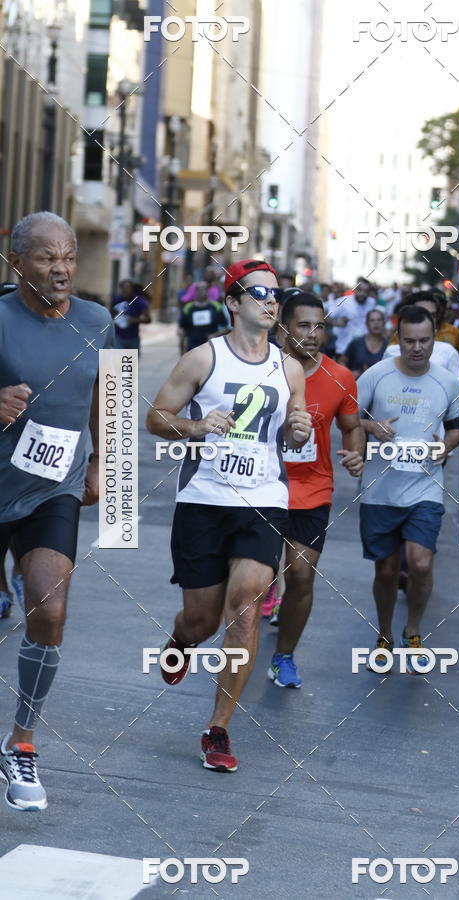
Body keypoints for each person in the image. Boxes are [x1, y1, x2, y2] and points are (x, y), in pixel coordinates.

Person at [146, 258, 312, 772]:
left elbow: (293, 429)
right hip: (204, 501)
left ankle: (218, 728)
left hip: (262, 500)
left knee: (246, 605)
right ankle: (184, 636)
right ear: (233, 302)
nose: (271, 301)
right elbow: (155, 417)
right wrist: (196, 429)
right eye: (259, 293)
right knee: (203, 619)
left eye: (276, 294)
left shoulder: (289, 368)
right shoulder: (203, 360)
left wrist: (299, 431)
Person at [0, 211, 113, 810]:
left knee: (49, 608)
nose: (62, 267)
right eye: (47, 257)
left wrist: (100, 469)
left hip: (52, 489)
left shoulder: (98, 322)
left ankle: (22, 742)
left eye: (67, 255)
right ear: (17, 263)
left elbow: (109, 399)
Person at [267, 292, 364, 686]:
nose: (312, 334)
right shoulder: (263, 369)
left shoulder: (340, 377)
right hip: (261, 485)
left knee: (302, 576)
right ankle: (241, 645)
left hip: (313, 488)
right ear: (283, 327)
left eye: (319, 326)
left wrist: (355, 455)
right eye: (304, 325)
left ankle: (284, 656)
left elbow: (353, 427)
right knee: (254, 581)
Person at [357, 305, 459, 668]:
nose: (417, 348)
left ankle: (413, 629)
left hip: (425, 486)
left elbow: (456, 426)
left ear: (435, 339)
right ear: (396, 339)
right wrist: (371, 428)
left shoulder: (447, 382)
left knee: (420, 563)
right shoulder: (375, 376)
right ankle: (385, 635)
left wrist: (446, 446)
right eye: (409, 341)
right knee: (386, 570)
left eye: (425, 341)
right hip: (380, 488)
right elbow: (350, 419)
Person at [384, 292, 459, 386]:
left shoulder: (449, 349)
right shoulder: (392, 350)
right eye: (421, 314)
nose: (427, 319)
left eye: (432, 315)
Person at [329, 278, 376, 358]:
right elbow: (325, 317)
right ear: (355, 289)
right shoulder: (343, 301)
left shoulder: (372, 302)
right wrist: (336, 323)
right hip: (344, 350)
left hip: (364, 350)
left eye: (366, 291)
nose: (362, 294)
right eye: (360, 290)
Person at [177, 280, 228, 354]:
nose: (201, 291)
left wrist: (215, 335)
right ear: (195, 291)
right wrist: (181, 346)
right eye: (198, 289)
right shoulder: (188, 308)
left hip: (211, 348)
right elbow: (182, 328)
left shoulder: (216, 307)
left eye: (204, 288)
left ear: (207, 291)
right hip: (192, 348)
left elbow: (226, 327)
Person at [340, 308, 388, 377]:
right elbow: (341, 361)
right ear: (367, 324)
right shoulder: (356, 343)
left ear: (384, 323)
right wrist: (349, 374)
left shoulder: (388, 346)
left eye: (379, 320)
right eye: (372, 320)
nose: (376, 323)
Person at [111, 279, 151, 351]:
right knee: (118, 360)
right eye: (122, 287)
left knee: (130, 362)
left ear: (132, 289)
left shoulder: (139, 301)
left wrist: (134, 320)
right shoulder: (116, 300)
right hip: (118, 337)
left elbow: (148, 319)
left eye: (127, 287)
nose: (125, 290)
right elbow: (110, 315)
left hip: (133, 338)